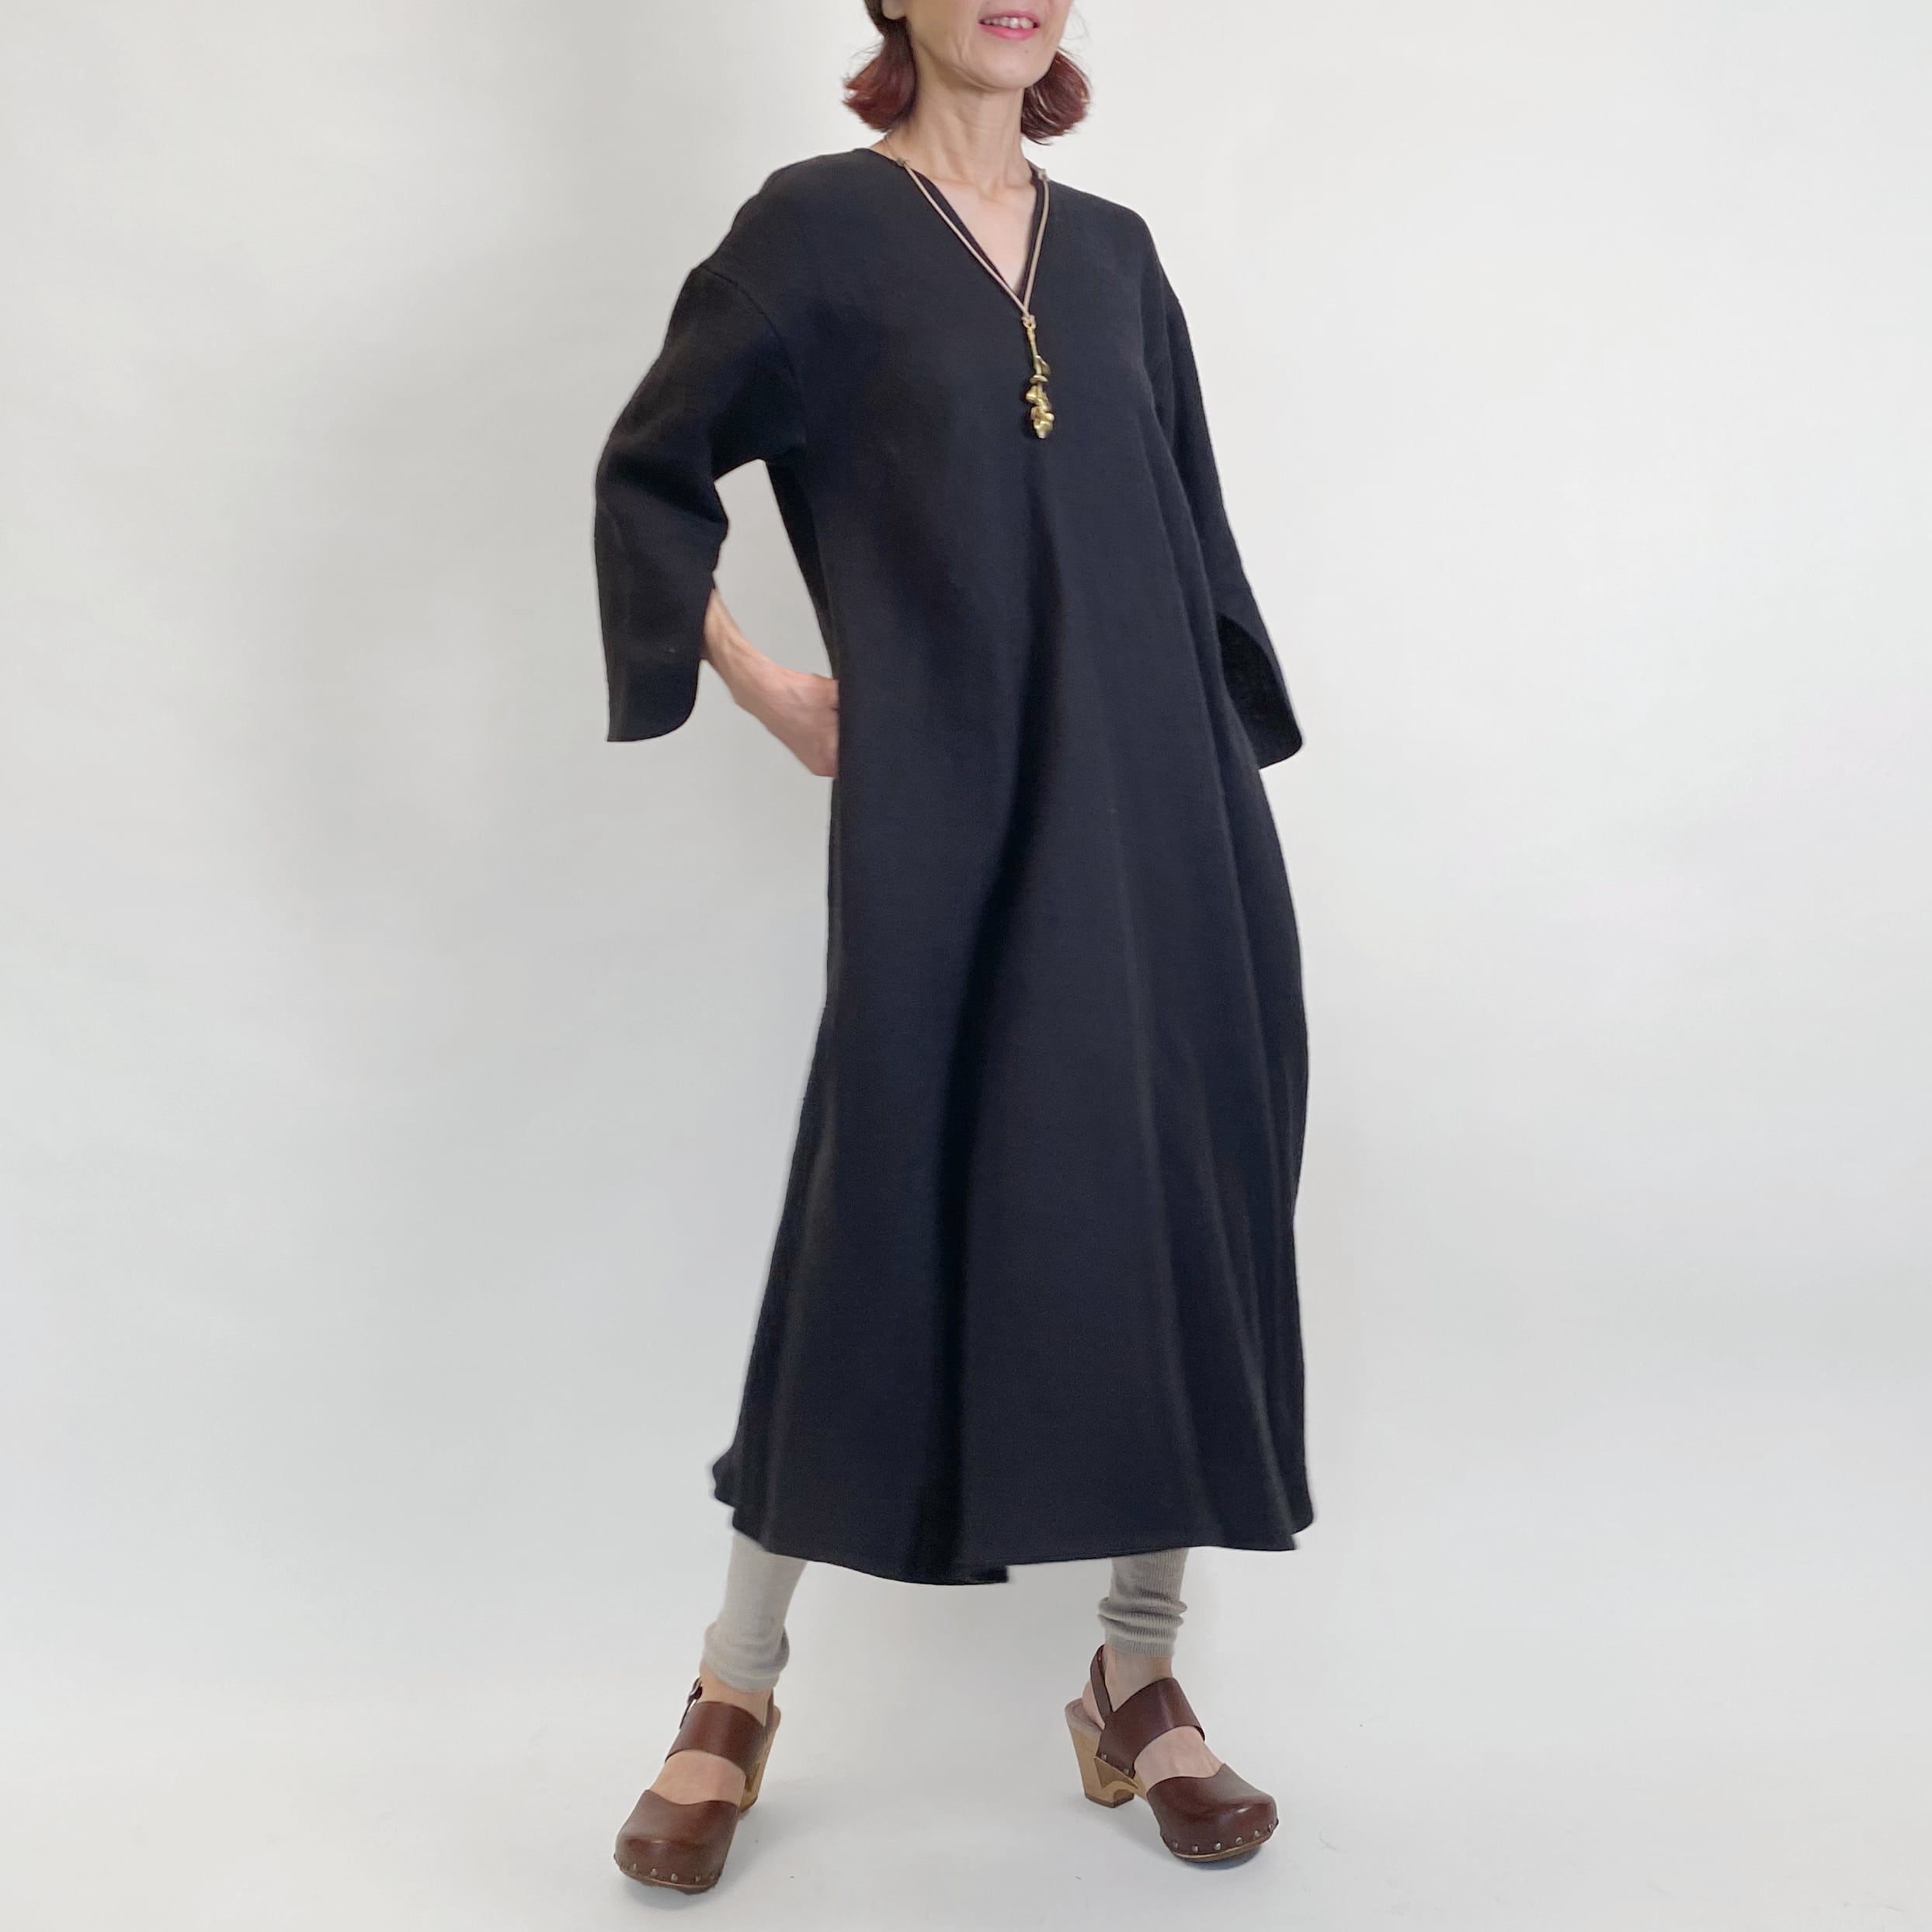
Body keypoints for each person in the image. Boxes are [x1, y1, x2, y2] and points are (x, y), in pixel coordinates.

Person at [592, 0, 1312, 1893]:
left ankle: (1137, 1673)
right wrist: (761, 682)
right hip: (948, 809)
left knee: (1171, 1195)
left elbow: (1190, 528)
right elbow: (652, 466)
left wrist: (1207, 781)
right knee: (883, 1200)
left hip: (1163, 805)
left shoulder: (1118, 253)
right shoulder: (813, 232)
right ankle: (733, 1683)